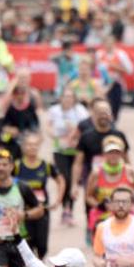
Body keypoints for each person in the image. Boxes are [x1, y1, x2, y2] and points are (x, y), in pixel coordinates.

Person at [13, 132, 61, 259]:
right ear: (23, 147)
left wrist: (58, 200)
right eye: (29, 144)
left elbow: (60, 180)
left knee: (42, 245)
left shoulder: (45, 165)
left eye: (35, 145)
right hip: (23, 211)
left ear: (39, 147)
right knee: (27, 244)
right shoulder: (17, 165)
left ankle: (40, 266)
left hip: (42, 211)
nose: (32, 147)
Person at [47, 89, 90, 227]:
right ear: (61, 98)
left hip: (76, 150)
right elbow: (48, 126)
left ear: (74, 98)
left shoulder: (80, 111)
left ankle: (69, 210)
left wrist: (75, 132)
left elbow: (86, 128)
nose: (67, 99)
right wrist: (53, 134)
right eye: (65, 96)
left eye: (70, 96)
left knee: (73, 180)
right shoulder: (54, 110)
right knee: (64, 178)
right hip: (59, 149)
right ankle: (65, 209)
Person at [85, 137, 134, 242]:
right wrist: (99, 205)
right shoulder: (96, 173)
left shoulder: (129, 171)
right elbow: (88, 197)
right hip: (102, 216)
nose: (113, 155)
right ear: (104, 154)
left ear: (121, 154)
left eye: (116, 152)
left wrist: (133, 199)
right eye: (110, 152)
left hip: (125, 214)